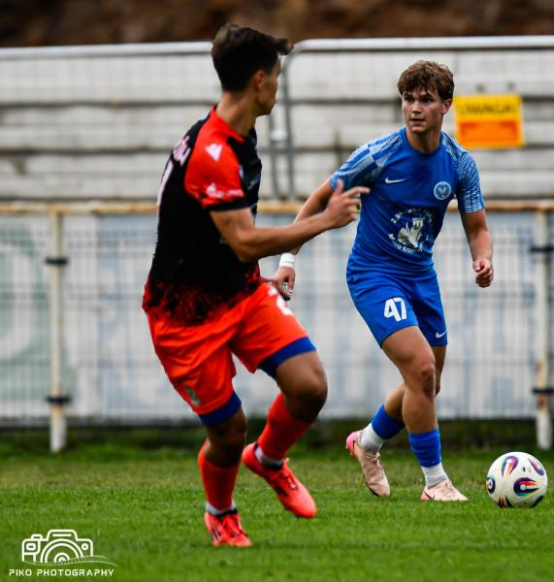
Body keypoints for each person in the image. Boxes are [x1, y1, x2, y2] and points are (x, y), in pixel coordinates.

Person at [142, 24, 367, 547]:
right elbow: (243, 241)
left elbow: (224, 243)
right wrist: (322, 221)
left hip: (238, 292)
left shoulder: (239, 134)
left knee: (310, 387)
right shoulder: (212, 153)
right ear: (260, 81)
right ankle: (220, 513)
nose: (279, 88)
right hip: (184, 316)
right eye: (278, 78)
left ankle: (268, 460)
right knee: (227, 429)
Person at [274, 60, 493, 501]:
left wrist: (482, 258)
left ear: (446, 105)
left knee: (427, 384)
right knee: (421, 369)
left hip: (420, 276)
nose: (414, 108)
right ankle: (436, 482)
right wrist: (287, 258)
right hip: (373, 275)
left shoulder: (459, 164)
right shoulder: (378, 155)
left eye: (425, 100)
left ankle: (367, 444)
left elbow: (477, 226)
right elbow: (320, 197)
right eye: (408, 99)